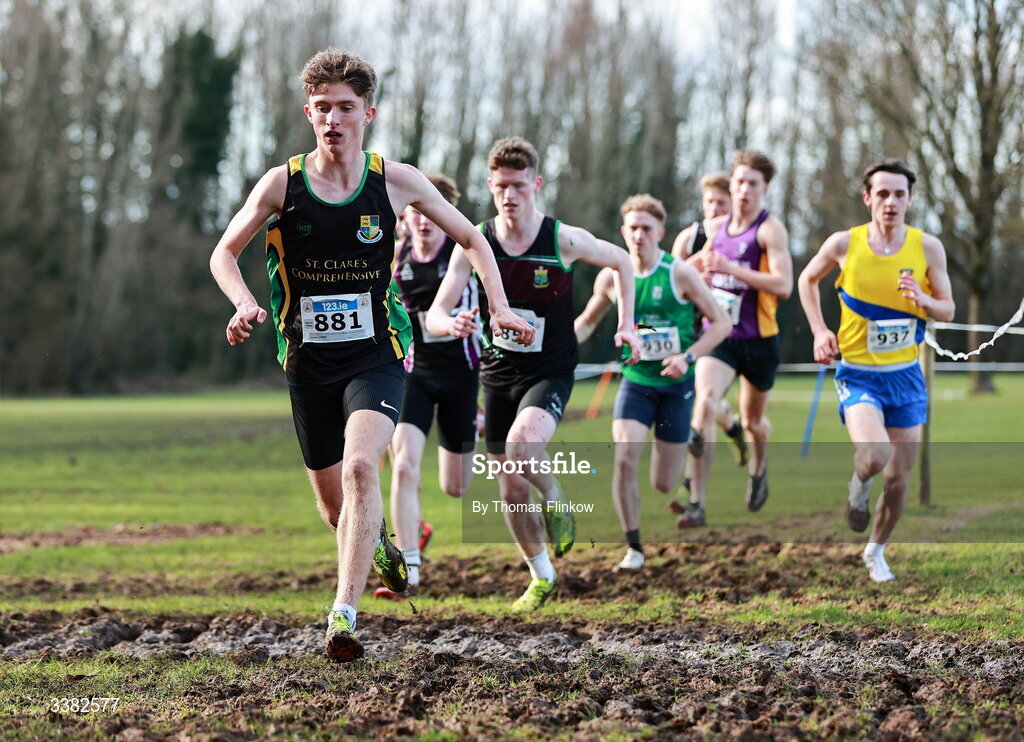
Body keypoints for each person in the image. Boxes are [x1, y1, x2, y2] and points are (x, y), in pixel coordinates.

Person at [209, 48, 532, 662]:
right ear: (309, 112)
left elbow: (472, 236)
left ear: (369, 113)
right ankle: (378, 545)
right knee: (338, 513)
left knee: (364, 469)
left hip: (376, 354)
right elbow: (223, 253)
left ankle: (343, 617)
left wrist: (500, 307)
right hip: (307, 364)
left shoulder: (396, 181)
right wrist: (244, 303)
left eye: (346, 108)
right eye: (323, 108)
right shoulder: (283, 184)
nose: (333, 119)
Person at [427, 136, 640, 609]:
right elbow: (435, 313)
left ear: (536, 185)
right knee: (508, 483)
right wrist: (452, 322)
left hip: (551, 370)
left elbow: (622, 261)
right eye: (501, 186)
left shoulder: (560, 239)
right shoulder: (474, 242)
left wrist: (625, 323)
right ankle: (541, 575)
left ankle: (557, 497)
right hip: (497, 374)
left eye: (519, 186)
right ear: (490, 185)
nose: (509, 196)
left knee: (524, 448)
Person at [798, 159, 954, 582]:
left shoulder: (927, 247)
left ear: (910, 198)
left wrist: (923, 298)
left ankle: (876, 550)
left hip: (906, 375)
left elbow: (947, 308)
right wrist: (818, 330)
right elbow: (806, 281)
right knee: (875, 455)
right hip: (858, 373)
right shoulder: (844, 244)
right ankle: (858, 486)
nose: (890, 202)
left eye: (899, 194)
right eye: (882, 194)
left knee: (900, 480)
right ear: (868, 198)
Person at [576, 195, 730, 570]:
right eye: (633, 228)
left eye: (647, 228)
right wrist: (551, 347)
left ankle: (689, 440)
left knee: (664, 483)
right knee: (625, 459)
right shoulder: (611, 275)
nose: (639, 235)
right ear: (623, 232)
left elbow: (722, 323)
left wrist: (688, 356)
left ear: (660, 232)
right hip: (636, 382)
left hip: (677, 386)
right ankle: (634, 548)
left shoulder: (679, 273)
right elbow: (585, 323)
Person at [377, 173, 480, 601]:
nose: (421, 221)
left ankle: (419, 524)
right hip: (412, 374)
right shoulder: (395, 255)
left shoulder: (462, 255)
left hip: (460, 375)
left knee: (456, 485)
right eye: (413, 213)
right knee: (403, 464)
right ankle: (411, 564)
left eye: (429, 214)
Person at [676, 151, 792, 528]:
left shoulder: (768, 229)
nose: (744, 190)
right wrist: (693, 278)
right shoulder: (718, 228)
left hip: (759, 339)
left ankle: (758, 469)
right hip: (720, 334)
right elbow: (690, 270)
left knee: (754, 421)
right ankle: (697, 502)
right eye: (739, 182)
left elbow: (784, 285)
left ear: (764, 189)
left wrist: (732, 270)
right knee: (705, 404)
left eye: (752, 184)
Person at [671, 173, 749, 485]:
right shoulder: (689, 239)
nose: (714, 208)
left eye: (721, 203)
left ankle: (692, 480)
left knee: (702, 403)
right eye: (709, 202)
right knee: (704, 402)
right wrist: (694, 285)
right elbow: (670, 282)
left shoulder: (746, 238)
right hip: (691, 330)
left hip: (731, 334)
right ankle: (732, 426)